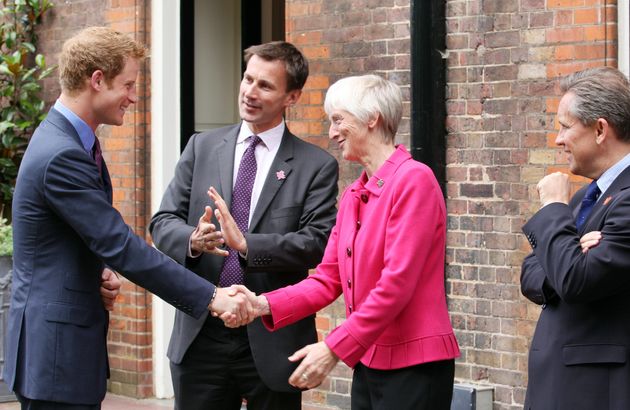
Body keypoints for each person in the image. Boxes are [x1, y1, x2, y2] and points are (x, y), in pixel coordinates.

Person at [4, 26, 252, 410]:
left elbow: (72, 236)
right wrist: (211, 296)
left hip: (59, 350)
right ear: (97, 80)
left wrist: (96, 270)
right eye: (129, 84)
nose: (134, 97)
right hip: (55, 354)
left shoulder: (68, 140)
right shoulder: (63, 154)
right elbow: (119, 243)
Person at [215, 74, 460, 409]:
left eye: (338, 120)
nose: (331, 133)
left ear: (372, 118)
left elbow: (396, 285)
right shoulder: (354, 195)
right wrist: (263, 304)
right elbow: (327, 279)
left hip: (414, 366)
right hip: (370, 361)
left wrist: (333, 347)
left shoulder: (414, 181)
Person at [149, 41, 338, 410]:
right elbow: (162, 222)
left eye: (265, 85)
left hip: (272, 335)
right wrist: (193, 239)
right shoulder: (200, 147)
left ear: (292, 97)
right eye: (248, 79)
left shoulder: (316, 165)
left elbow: (316, 243)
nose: (250, 92)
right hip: (201, 333)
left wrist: (248, 245)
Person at [520, 66, 630, 409]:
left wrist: (553, 207)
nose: (558, 140)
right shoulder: (586, 198)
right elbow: (530, 274)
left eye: (566, 127)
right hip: (561, 384)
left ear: (600, 129)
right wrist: (569, 257)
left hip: (596, 391)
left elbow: (576, 280)